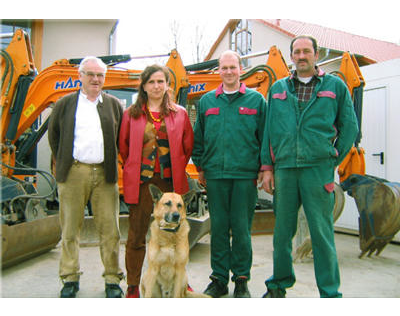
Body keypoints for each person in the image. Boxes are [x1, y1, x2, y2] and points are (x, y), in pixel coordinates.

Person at [261, 35, 359, 298]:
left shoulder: (335, 87)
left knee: (321, 234)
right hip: (285, 170)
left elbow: (350, 127)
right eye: (297, 52)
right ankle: (278, 285)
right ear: (291, 56)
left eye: (307, 51)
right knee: (282, 235)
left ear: (316, 54)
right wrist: (267, 168)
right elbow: (268, 131)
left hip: (318, 171)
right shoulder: (278, 88)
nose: (301, 56)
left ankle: (329, 292)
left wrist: (332, 158)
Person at [192, 50, 270, 298]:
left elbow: (266, 137)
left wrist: (264, 168)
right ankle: (218, 279)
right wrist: (201, 167)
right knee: (218, 228)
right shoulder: (206, 102)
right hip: (215, 175)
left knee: (241, 229)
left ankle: (241, 280)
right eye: (223, 68)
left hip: (245, 176)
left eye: (232, 67)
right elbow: (198, 139)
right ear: (219, 70)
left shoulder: (257, 101)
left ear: (240, 69)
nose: (228, 72)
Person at [48, 56, 124, 298]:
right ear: (80, 76)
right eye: (90, 74)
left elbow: (120, 137)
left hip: (105, 174)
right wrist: (64, 166)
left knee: (110, 230)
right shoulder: (65, 104)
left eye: (100, 75)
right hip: (73, 173)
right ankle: (70, 278)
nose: (95, 79)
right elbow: (55, 137)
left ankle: (112, 279)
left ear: (104, 78)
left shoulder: (113, 105)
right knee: (70, 228)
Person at [119, 64, 194, 298]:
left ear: (167, 85)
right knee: (136, 234)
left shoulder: (179, 113)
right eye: (151, 82)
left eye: (160, 81)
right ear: (143, 85)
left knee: (176, 234)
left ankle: (182, 280)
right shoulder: (131, 114)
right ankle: (133, 285)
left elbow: (187, 145)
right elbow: (123, 146)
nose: (156, 86)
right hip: (141, 184)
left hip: (170, 183)